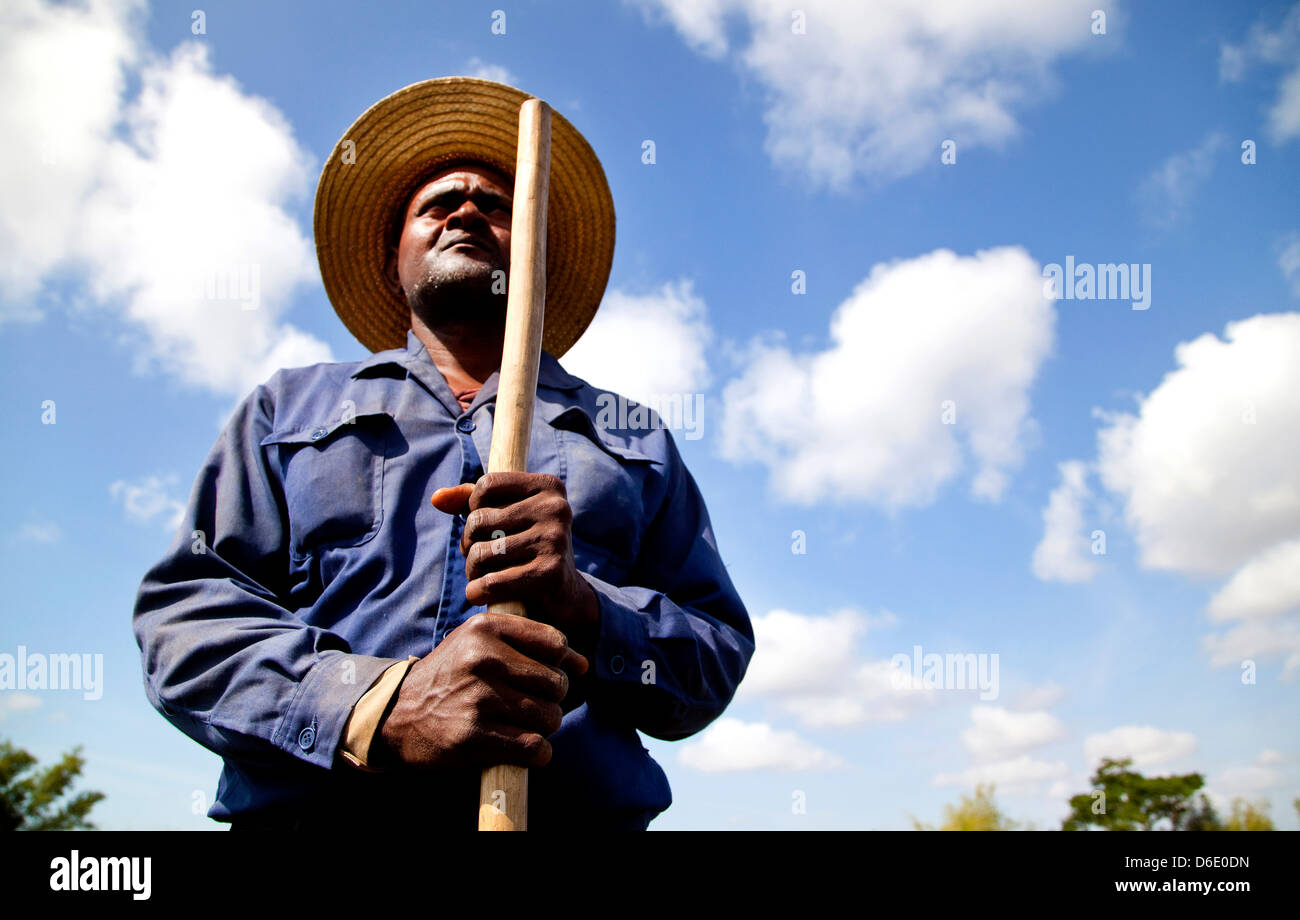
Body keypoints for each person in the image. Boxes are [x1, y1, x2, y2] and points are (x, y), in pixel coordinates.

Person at [132, 77, 753, 831]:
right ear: (395, 258)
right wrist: (378, 708)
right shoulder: (287, 409)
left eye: (495, 205)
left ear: (534, 258)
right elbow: (187, 620)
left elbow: (712, 656)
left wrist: (585, 606)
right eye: (438, 204)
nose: (466, 210)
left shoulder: (633, 437)